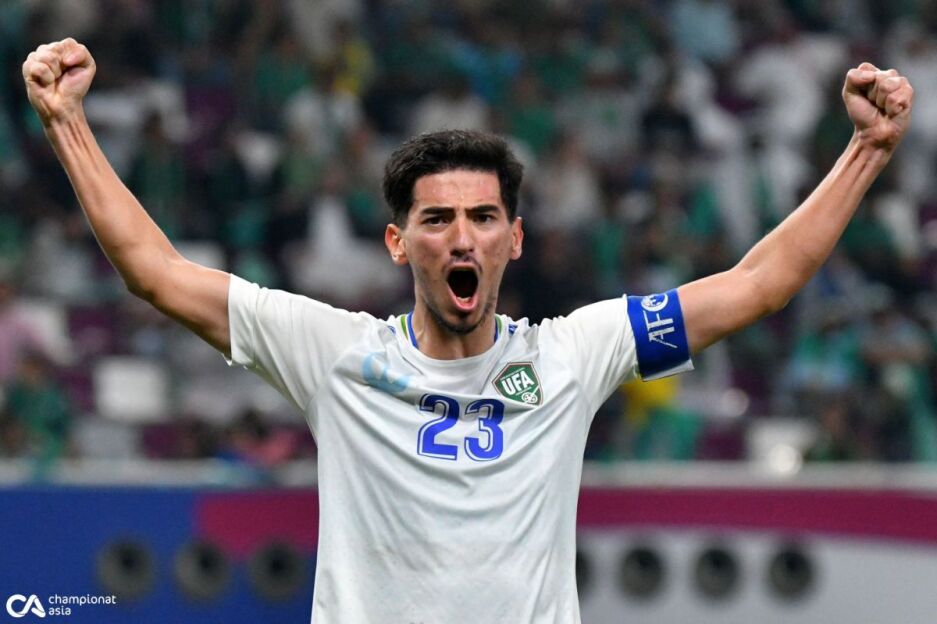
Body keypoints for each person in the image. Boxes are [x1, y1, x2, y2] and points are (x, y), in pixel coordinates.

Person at [22, 38, 913, 623]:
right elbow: (153, 271)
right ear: (397, 241)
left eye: (483, 218)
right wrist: (67, 123)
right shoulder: (333, 352)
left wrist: (866, 150)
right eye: (438, 219)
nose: (462, 238)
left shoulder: (572, 354)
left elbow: (756, 286)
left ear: (513, 240)